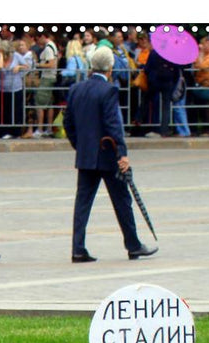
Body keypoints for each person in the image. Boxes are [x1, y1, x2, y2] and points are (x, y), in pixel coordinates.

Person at [63, 47, 157, 263]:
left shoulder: (76, 88)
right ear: (110, 67)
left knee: (82, 203)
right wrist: (122, 153)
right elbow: (113, 124)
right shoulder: (109, 90)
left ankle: (78, 248)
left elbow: (68, 122)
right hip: (107, 153)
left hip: (86, 155)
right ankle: (133, 245)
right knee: (122, 200)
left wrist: (79, 144)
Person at [32, 31, 59, 138]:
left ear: (42, 37)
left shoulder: (48, 48)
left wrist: (38, 65)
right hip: (52, 78)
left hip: (47, 78)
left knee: (40, 103)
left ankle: (39, 129)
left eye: (38, 39)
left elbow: (51, 64)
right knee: (49, 104)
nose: (38, 42)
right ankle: (48, 128)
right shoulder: (53, 46)